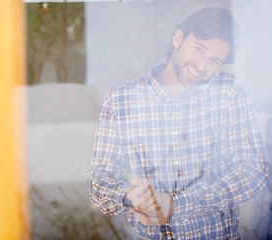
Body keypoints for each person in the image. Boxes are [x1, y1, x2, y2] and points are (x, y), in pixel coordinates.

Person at [89, 7, 268, 240]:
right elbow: (98, 183)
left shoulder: (230, 93)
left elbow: (252, 170)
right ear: (178, 38)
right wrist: (128, 196)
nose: (202, 65)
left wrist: (178, 204)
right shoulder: (120, 102)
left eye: (214, 60)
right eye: (198, 49)